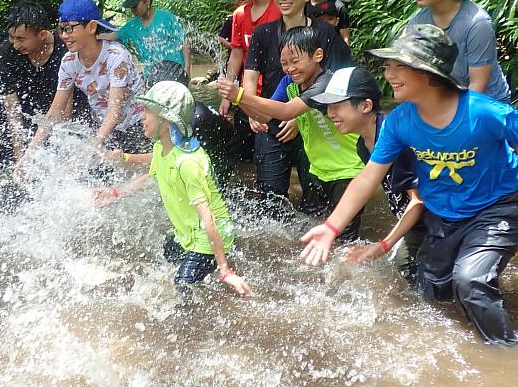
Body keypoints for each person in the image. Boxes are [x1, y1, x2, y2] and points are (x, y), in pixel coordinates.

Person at [300, 25, 518, 345]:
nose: (387, 73)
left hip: (497, 206)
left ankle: (506, 354)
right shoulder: (402, 121)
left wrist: (384, 244)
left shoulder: (485, 113)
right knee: (430, 292)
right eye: (388, 65)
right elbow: (368, 178)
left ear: (428, 72)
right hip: (444, 215)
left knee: (470, 280)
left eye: (398, 65)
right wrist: (332, 227)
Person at [93, 81, 251, 295]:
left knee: (182, 287)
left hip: (208, 234)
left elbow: (209, 219)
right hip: (188, 232)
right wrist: (115, 193)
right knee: (167, 256)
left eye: (148, 111)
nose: (142, 116)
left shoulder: (187, 163)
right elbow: (149, 177)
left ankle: (219, 268)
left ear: (166, 120)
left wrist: (226, 271)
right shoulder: (162, 147)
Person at [218, 26, 364, 239]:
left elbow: (287, 110)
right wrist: (236, 100)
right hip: (320, 172)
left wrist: (240, 95)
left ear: (318, 56)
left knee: (344, 240)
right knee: (313, 232)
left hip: (349, 172)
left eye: (295, 61)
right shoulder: (289, 83)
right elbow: (265, 117)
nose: (289, 69)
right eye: (284, 63)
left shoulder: (327, 83)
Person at [240, 0, 355, 216]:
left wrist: (296, 115)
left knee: (316, 202)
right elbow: (250, 75)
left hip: (313, 127)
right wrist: (250, 109)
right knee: (270, 201)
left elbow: (339, 81)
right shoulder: (264, 33)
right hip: (271, 122)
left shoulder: (324, 33)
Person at [312, 67, 425, 279]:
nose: (330, 114)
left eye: (337, 106)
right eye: (328, 107)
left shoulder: (394, 138)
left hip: (436, 223)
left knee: (413, 272)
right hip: (414, 223)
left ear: (366, 105)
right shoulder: (363, 146)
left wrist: (384, 245)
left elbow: (418, 201)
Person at [19, 0, 148, 166]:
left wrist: (89, 149)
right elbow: (53, 113)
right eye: (61, 29)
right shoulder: (68, 62)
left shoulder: (116, 57)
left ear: (92, 26)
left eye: (69, 29)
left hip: (139, 124)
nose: (64, 36)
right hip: (106, 129)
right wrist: (28, 156)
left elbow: (114, 112)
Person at [401, 0, 510, 102]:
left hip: (487, 104)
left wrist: (450, 117)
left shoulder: (477, 23)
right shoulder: (418, 23)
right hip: (446, 99)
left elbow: (478, 85)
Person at [0, 0, 87, 164]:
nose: (15, 45)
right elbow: (12, 110)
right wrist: (20, 157)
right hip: (29, 109)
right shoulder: (5, 55)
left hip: (66, 107)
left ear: (42, 35)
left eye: (21, 39)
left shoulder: (66, 51)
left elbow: (66, 113)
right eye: (11, 37)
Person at [219, 0, 280, 116]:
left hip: (276, 95)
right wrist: (227, 96)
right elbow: (236, 55)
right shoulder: (239, 14)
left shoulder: (280, 12)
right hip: (246, 94)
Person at [101, 0, 190, 85]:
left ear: (147, 1)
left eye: (135, 6)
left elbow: (184, 42)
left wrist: (187, 69)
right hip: (152, 75)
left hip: (175, 72)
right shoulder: (132, 26)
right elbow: (112, 36)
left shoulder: (166, 17)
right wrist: (94, 36)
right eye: (131, 7)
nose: (133, 10)